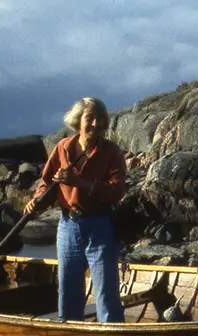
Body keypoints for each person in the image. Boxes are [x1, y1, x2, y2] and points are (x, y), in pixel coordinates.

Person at [24, 97, 127, 322]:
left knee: (106, 295)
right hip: (68, 226)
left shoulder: (111, 152)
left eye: (100, 119)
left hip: (100, 226)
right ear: (78, 121)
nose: (95, 124)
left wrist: (80, 182)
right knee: (69, 292)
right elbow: (48, 183)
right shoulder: (63, 147)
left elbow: (117, 190)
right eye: (89, 118)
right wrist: (37, 201)